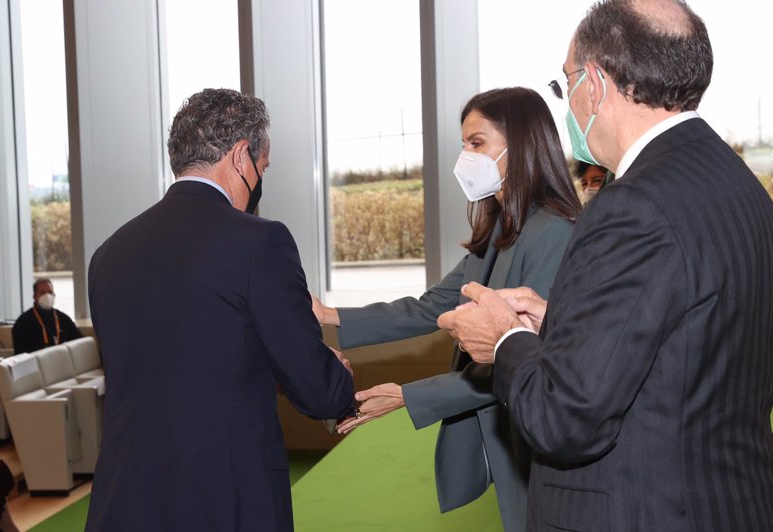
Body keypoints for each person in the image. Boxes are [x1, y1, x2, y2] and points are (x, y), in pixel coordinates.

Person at [438, 1, 773, 530]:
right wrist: (558, 322)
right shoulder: (737, 184)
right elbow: (686, 338)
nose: (568, 103)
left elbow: (564, 419)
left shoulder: (632, 203)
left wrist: (504, 340)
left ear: (593, 83)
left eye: (565, 83)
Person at [85, 89, 356, 532]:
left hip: (123, 498)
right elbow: (319, 391)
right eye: (263, 166)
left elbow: (171, 365)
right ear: (241, 157)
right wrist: (337, 376)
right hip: (222, 500)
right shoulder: (259, 242)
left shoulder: (108, 254)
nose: (261, 179)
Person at [312, 87, 581, 530]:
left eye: (477, 143)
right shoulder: (503, 227)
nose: (465, 158)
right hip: (515, 435)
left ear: (521, 144)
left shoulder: (551, 231)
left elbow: (520, 357)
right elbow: (431, 306)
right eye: (464, 145)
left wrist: (407, 396)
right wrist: (330, 315)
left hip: (541, 440)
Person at [11, 278, 82, 353]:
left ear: (54, 295)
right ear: (34, 297)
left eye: (50, 292)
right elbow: (21, 353)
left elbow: (79, 342)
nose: (47, 296)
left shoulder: (63, 319)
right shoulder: (23, 322)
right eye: (42, 293)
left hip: (61, 358)